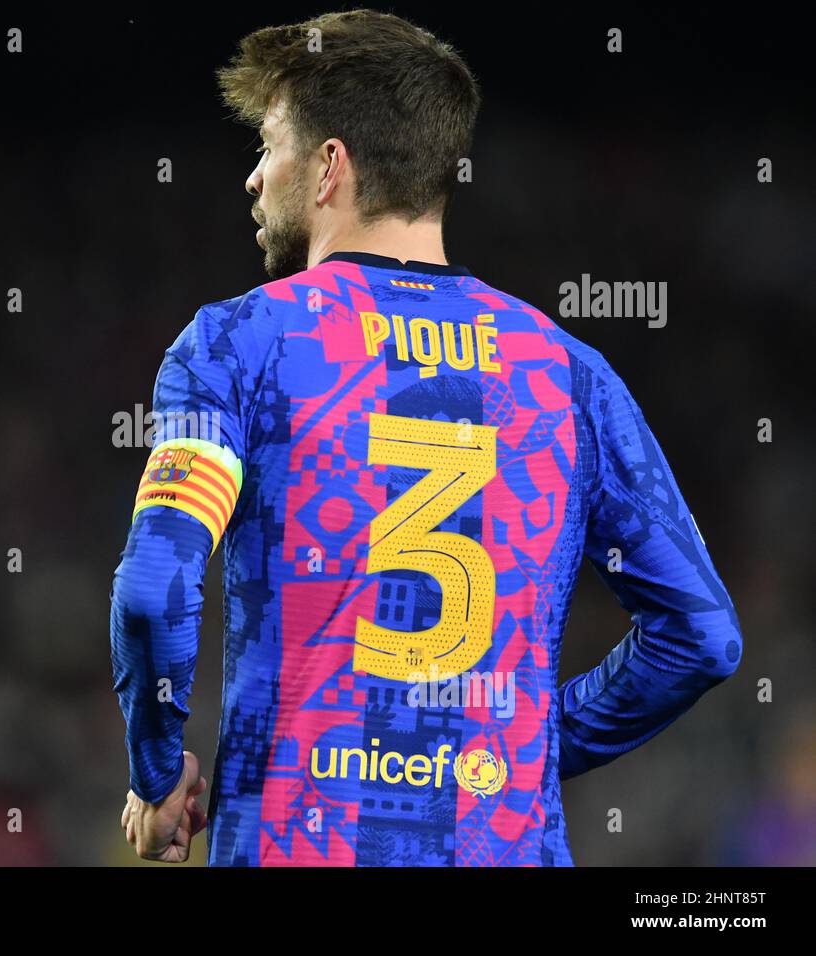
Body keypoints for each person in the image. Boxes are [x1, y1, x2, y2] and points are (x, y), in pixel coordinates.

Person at [111, 8, 742, 866]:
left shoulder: (235, 346)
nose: (253, 180)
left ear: (330, 165)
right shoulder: (569, 373)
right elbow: (700, 636)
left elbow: (155, 587)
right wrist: (528, 750)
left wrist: (156, 772)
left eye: (268, 146)